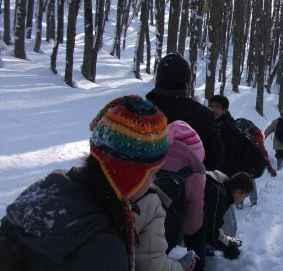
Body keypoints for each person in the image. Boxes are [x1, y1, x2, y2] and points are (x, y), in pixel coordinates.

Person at [0, 95, 170, 271]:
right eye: (152, 173)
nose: (152, 182)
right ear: (130, 177)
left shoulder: (49, 188)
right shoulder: (105, 249)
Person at [146, 52, 224, 172]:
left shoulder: (136, 111)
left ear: (158, 80)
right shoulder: (203, 115)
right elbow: (215, 161)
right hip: (189, 186)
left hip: (137, 188)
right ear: (186, 84)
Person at [155, 120, 207, 269]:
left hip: (145, 237)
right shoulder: (193, 176)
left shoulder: (151, 163)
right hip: (173, 244)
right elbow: (193, 226)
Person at [203, 171, 254, 261]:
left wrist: (226, 239)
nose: (243, 200)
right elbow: (212, 233)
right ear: (238, 192)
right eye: (245, 196)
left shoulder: (223, 183)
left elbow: (214, 224)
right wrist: (230, 248)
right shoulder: (219, 196)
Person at [208, 95, 242, 178]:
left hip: (224, 174)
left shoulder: (226, 128)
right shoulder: (215, 123)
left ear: (225, 110)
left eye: (217, 106)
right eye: (211, 106)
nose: (213, 109)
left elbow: (228, 156)